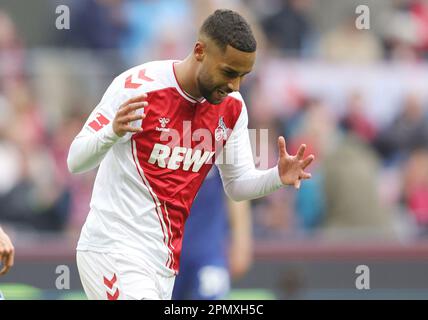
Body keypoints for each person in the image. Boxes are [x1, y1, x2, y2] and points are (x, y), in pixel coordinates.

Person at [68, 9, 314, 300]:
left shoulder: (231, 107)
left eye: (242, 76)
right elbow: (75, 160)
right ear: (200, 51)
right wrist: (112, 132)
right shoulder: (138, 87)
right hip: (114, 249)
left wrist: (277, 177)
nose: (234, 86)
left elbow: (236, 186)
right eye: (228, 72)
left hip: (163, 264)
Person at [172, 167, 252, 300]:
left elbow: (236, 185)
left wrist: (242, 242)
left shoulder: (219, 146)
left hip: (209, 250)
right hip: (165, 250)